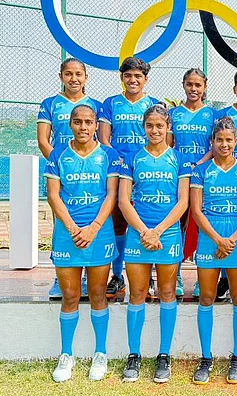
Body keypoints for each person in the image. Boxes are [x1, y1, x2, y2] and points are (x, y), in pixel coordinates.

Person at [44, 104, 120, 383]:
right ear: (70, 125)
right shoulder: (58, 155)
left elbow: (111, 196)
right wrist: (75, 228)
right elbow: (54, 196)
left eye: (89, 122)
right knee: (71, 295)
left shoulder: (109, 156)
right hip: (68, 234)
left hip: (99, 233)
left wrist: (94, 228)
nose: (84, 127)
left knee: (99, 294)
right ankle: (66, 355)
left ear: (96, 125)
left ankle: (100, 353)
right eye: (78, 122)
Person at [118, 103, 192, 383]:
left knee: (167, 293)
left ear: (168, 128)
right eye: (150, 126)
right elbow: (124, 200)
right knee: (137, 294)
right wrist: (143, 231)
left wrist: (158, 231)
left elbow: (183, 201)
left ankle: (164, 355)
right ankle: (134, 354)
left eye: (160, 125)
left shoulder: (180, 160)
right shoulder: (133, 158)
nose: (155, 130)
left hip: (168, 235)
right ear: (143, 127)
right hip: (139, 234)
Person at [190, 116, 237, 385]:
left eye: (229, 140)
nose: (224, 144)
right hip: (209, 238)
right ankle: (206, 357)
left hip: (236, 239)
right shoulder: (201, 171)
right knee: (206, 297)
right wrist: (217, 239)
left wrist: (232, 240)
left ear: (236, 142)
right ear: (212, 142)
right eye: (219, 140)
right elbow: (196, 210)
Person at [98, 57, 161, 301]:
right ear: (122, 78)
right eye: (128, 76)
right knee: (118, 223)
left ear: (145, 79)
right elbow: (104, 139)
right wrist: (120, 163)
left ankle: (154, 273)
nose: (133, 80)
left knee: (150, 220)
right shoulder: (111, 103)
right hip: (120, 170)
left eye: (138, 76)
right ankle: (117, 275)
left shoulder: (155, 104)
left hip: (147, 171)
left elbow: (162, 139)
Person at [37, 58, 101, 300]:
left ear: (86, 77)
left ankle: (86, 276)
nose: (74, 79)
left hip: (91, 174)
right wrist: (61, 166)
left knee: (93, 221)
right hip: (64, 174)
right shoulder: (50, 104)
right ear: (60, 76)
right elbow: (44, 140)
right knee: (62, 223)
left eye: (78, 74)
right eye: (68, 74)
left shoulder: (95, 105)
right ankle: (59, 275)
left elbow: (102, 143)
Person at [168, 68, 216, 298]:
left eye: (198, 85)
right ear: (183, 85)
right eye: (190, 84)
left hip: (203, 174)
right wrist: (182, 167)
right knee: (178, 224)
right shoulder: (173, 114)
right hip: (178, 175)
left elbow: (215, 146)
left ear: (205, 87)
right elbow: (168, 146)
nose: (194, 89)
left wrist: (198, 165)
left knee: (201, 224)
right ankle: (175, 275)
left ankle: (201, 277)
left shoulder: (213, 115)